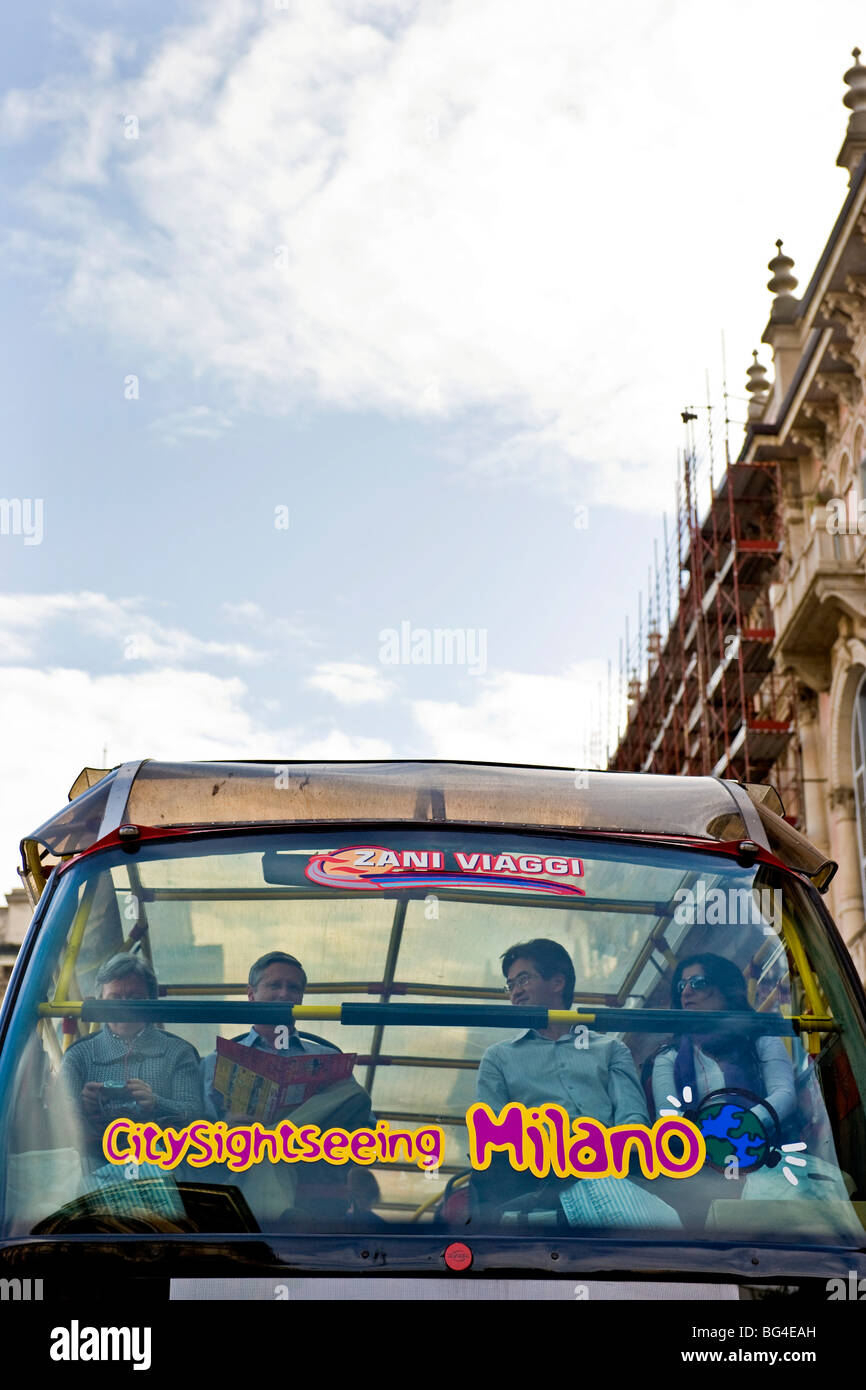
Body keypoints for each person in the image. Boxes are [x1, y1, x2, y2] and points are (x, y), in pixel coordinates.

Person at [476, 938, 649, 1126]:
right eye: (510, 986)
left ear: (557, 983)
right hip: (539, 1153)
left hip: (607, 1152)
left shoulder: (611, 1049)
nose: (515, 992)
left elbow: (633, 1117)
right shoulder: (498, 1058)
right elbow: (492, 1133)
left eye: (523, 980)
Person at [58, 954, 205, 1150]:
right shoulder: (77, 1056)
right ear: (100, 1001)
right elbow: (57, 1123)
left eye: (136, 999)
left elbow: (196, 1118)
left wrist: (155, 1103)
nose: (125, 1006)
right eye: (115, 998)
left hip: (165, 1161)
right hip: (93, 1163)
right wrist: (83, 1107)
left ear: (152, 1001)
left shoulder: (178, 1052)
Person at [651, 953, 796, 1134]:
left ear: (725, 989)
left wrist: (742, 1126)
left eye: (698, 982)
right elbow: (667, 1116)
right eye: (682, 986)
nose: (686, 992)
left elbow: (785, 1095)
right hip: (698, 1155)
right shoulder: (669, 1056)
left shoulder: (760, 1041)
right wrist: (712, 1135)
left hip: (765, 1149)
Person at [200, 951, 341, 1120]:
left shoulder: (330, 1058)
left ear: (301, 998)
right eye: (274, 985)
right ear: (251, 995)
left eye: (293, 988)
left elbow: (364, 1123)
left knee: (356, 1095)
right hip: (244, 1144)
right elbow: (198, 1130)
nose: (284, 994)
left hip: (309, 1144)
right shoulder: (215, 1062)